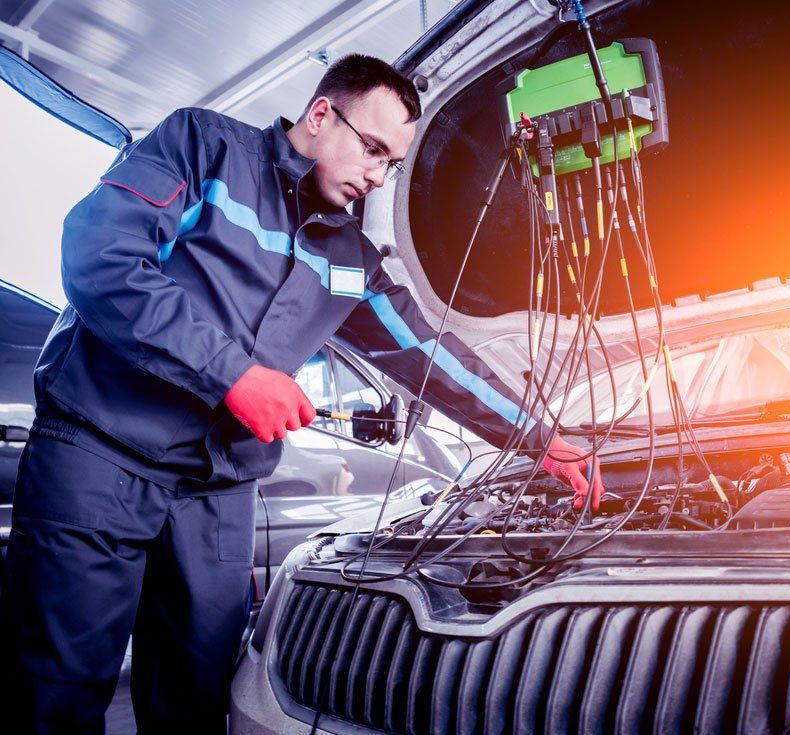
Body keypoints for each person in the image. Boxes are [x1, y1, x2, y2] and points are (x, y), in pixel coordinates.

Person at [0, 54, 603, 733]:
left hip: (216, 488)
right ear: (320, 115)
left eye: (391, 163)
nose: (377, 176)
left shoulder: (352, 261)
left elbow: (431, 355)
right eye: (372, 149)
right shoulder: (203, 148)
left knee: (197, 695)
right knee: (55, 690)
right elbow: (101, 256)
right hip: (101, 452)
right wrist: (233, 374)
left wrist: (540, 436)